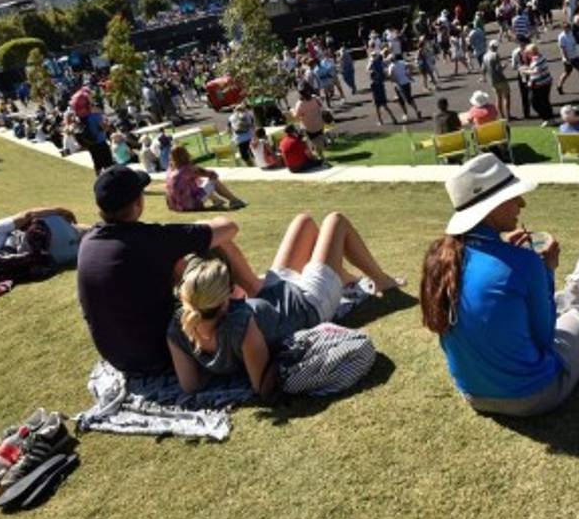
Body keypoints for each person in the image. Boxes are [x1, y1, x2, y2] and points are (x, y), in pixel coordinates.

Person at [419, 153, 579, 416]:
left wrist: (510, 254)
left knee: (531, 304)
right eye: (514, 197)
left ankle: (575, 287)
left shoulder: (441, 258)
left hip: (473, 395)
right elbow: (545, 339)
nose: (522, 203)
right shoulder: (523, 262)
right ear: (492, 207)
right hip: (535, 394)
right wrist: (546, 270)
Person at [168, 213, 404, 396]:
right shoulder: (241, 323)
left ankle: (342, 278)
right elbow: (262, 386)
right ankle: (380, 280)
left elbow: (190, 385)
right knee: (335, 220)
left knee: (304, 221)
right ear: (226, 300)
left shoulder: (177, 329)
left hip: (275, 292)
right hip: (309, 303)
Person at [77, 166, 239, 376]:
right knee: (211, 245)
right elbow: (230, 228)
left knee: (176, 260)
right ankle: (249, 293)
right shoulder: (152, 239)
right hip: (160, 354)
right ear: (137, 204)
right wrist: (203, 224)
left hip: (119, 358)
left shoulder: (89, 241)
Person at [165, 146, 245, 212]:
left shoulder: (170, 170)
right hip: (190, 205)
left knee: (197, 181)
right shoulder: (189, 169)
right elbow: (213, 174)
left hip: (175, 206)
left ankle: (217, 200)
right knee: (213, 182)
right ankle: (234, 200)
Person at [520, 43, 554, 126]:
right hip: (547, 82)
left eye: (528, 53)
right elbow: (536, 68)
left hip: (539, 84)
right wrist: (528, 68)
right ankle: (550, 118)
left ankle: (546, 118)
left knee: (534, 103)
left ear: (531, 53)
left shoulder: (536, 60)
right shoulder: (541, 57)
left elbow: (536, 71)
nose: (527, 55)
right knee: (545, 101)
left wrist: (525, 71)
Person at [387, 52, 423, 122]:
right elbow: (411, 66)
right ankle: (412, 112)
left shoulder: (391, 66)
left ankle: (412, 112)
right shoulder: (401, 62)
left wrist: (394, 80)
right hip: (406, 82)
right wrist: (409, 73)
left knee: (405, 100)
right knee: (406, 99)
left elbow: (391, 76)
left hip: (399, 85)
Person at [481, 42, 513, 120]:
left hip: (492, 80)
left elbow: (483, 68)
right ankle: (508, 115)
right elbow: (499, 68)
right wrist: (505, 65)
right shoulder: (495, 55)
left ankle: (502, 116)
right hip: (500, 78)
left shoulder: (485, 56)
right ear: (494, 47)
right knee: (506, 97)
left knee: (498, 98)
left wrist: (484, 77)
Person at [555, 23, 579, 95]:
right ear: (563, 28)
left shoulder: (572, 33)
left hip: (575, 56)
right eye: (566, 27)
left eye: (568, 27)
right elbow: (563, 49)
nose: (568, 28)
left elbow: (576, 41)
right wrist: (566, 59)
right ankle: (559, 86)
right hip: (569, 57)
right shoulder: (561, 37)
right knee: (567, 73)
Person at [293, 86, 327, 158]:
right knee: (320, 135)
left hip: (309, 127)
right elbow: (321, 105)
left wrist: (292, 111)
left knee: (313, 141)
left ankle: (319, 155)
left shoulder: (300, 104)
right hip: (319, 123)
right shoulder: (315, 98)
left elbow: (296, 116)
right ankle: (322, 147)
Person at [367, 52, 400, 126]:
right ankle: (393, 118)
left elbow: (373, 93)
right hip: (382, 95)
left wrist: (373, 100)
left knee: (377, 109)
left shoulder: (372, 84)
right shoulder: (380, 82)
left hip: (377, 98)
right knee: (386, 107)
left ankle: (380, 121)